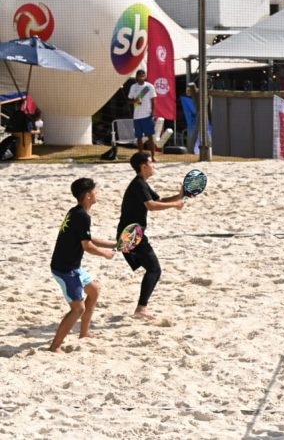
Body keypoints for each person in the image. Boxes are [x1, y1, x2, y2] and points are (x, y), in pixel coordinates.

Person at [49, 178, 117, 353]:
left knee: (94, 290)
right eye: (95, 191)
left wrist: (111, 244)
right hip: (65, 269)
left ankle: (84, 333)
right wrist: (106, 254)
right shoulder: (82, 216)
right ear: (88, 195)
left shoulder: (76, 212)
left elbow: (86, 238)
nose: (97, 193)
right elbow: (87, 246)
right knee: (78, 308)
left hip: (72, 266)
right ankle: (55, 346)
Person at [118, 151, 184, 320]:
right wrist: (175, 204)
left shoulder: (142, 184)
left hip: (129, 232)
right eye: (151, 162)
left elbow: (159, 200)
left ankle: (141, 308)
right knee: (154, 269)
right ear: (143, 166)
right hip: (131, 233)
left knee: (151, 269)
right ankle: (141, 309)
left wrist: (181, 195)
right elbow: (152, 206)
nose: (154, 164)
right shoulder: (138, 184)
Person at [128, 69, 157, 161]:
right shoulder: (133, 87)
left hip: (147, 115)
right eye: (139, 75)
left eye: (143, 74)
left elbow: (153, 100)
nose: (141, 76)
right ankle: (141, 157)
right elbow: (129, 100)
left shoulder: (149, 86)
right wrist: (135, 101)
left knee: (150, 137)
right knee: (139, 138)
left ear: (145, 76)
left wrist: (152, 112)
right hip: (137, 116)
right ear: (136, 77)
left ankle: (153, 156)